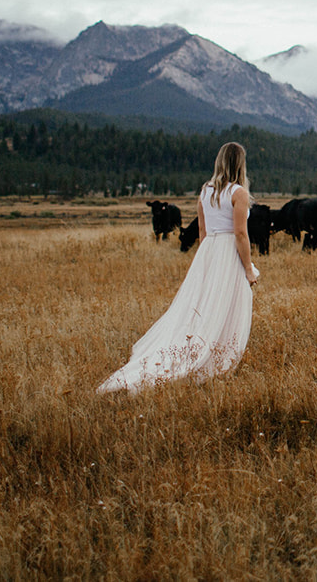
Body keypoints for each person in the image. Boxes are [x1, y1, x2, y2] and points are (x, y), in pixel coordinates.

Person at [97, 141, 261, 394]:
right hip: (228, 251)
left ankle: (201, 350)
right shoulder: (238, 193)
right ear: (240, 163)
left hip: (208, 252)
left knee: (202, 304)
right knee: (227, 304)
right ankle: (216, 358)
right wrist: (248, 267)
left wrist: (208, 260)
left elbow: (204, 232)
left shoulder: (206, 191)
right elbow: (240, 233)